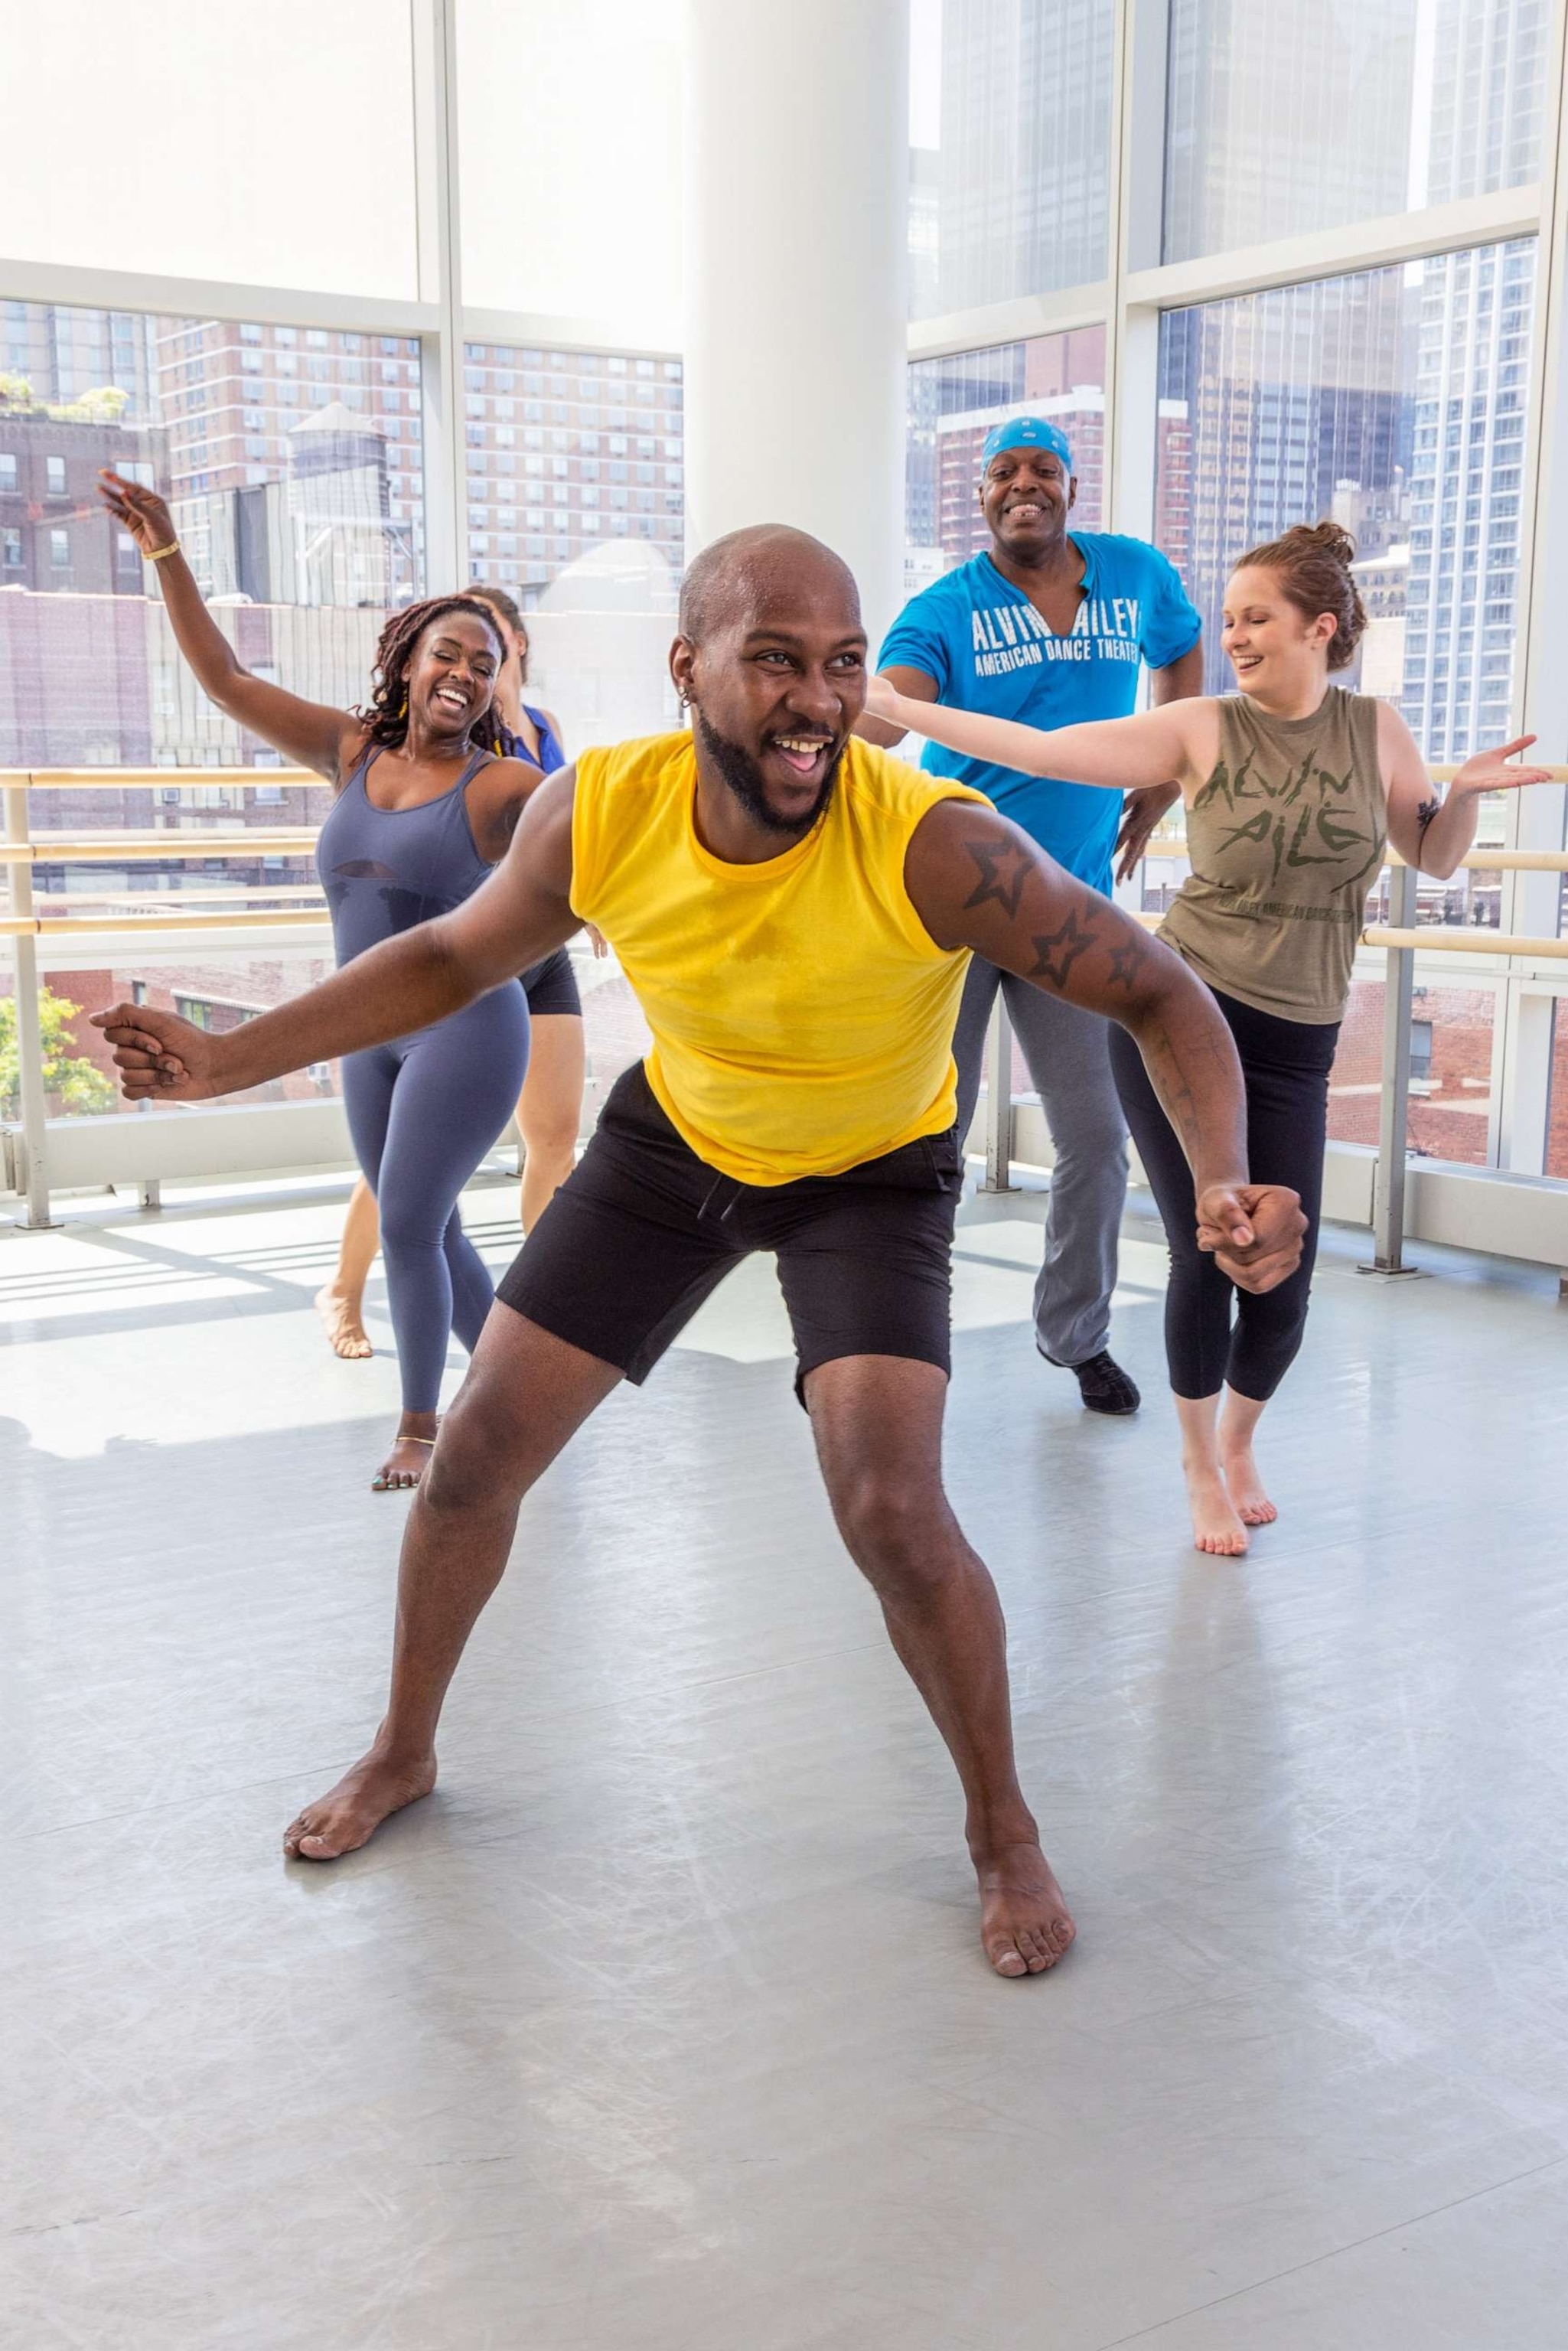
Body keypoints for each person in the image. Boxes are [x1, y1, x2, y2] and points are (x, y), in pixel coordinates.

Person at [93, 525, 1306, 1980]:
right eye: (776, 661)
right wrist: (232, 1064)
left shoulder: (930, 844)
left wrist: (1227, 1183)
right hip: (673, 1144)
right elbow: (444, 958)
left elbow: (1163, 994)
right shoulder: (600, 808)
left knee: (889, 1509)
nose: (817, 700)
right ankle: (404, 1747)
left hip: (868, 1173)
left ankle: (999, 1828)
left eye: (843, 665)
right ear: (687, 667)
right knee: (473, 1455)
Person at [866, 520, 1553, 1556]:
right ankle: (1197, 1468)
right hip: (1181, 1014)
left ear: (1319, 629)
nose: (1234, 636)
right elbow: (1048, 752)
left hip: (1301, 1039)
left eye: (1256, 619)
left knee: (1283, 1268)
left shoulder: (1375, 729)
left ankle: (1237, 1440)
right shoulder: (1199, 728)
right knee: (1215, 1237)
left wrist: (1458, 796)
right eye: (1227, 619)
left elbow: (1439, 857)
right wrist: (877, 701)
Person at [97, 471, 548, 1493]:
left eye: (485, 665)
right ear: (407, 660)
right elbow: (222, 679)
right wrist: (168, 555)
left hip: (469, 1030)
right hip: (365, 1033)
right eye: (449, 653)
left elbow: (601, 823)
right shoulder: (351, 754)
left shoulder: (505, 787)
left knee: (403, 1224)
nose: (465, 675)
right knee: (429, 1225)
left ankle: (424, 1430)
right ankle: (520, 1399)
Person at [860, 416, 1206, 1418]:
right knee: (935, 1139)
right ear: (979, 496)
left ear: (1067, 484)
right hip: (951, 918)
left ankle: (1077, 1337)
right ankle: (907, 1341)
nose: (1024, 486)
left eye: (1041, 471)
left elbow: (1184, 657)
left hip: (1071, 917)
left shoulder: (1134, 574)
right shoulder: (944, 608)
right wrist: (841, 710)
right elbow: (892, 713)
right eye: (1003, 473)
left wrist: (1170, 772)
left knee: (1096, 1140)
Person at [315, 582, 594, 1364]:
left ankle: (538, 1314)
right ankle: (343, 1287)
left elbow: (568, 835)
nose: (473, 666)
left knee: (556, 1139)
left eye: (492, 648)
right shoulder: (442, 741)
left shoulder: (539, 730)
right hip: (456, 964)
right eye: (456, 651)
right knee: (408, 1179)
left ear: (519, 650)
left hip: (538, 962)